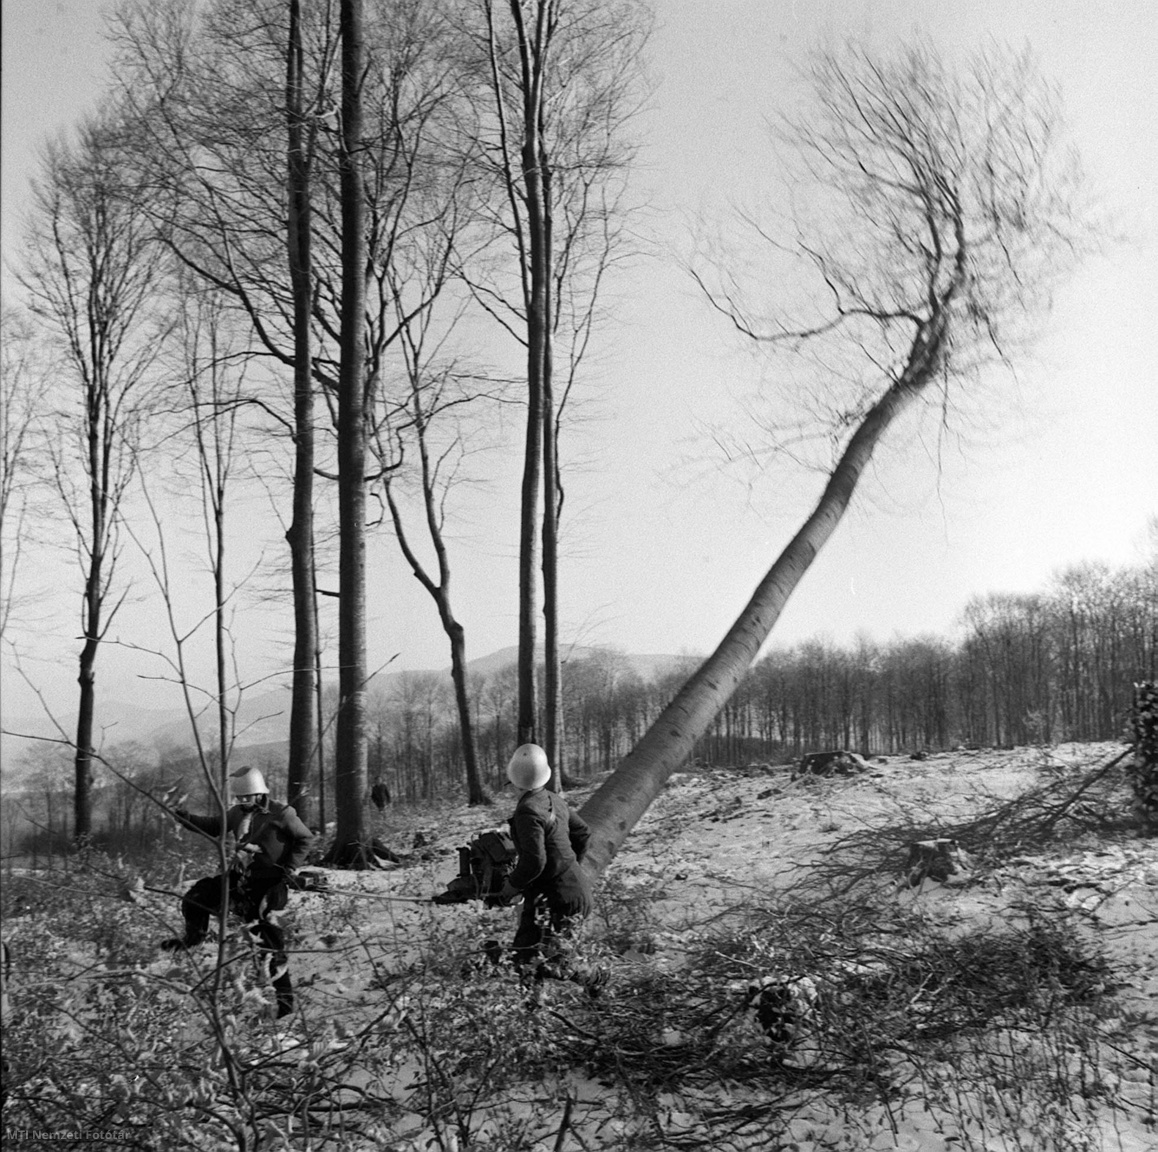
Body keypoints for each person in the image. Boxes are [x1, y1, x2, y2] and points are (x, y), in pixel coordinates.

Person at [161, 766, 314, 1020]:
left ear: (259, 793)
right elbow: (213, 826)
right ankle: (194, 937)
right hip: (241, 878)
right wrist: (183, 817)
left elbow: (305, 839)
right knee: (197, 896)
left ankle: (285, 1002)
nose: (243, 802)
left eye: (247, 797)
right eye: (239, 798)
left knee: (268, 943)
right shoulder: (236, 813)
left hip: (270, 884)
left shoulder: (282, 814)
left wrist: (290, 867)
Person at [496, 744, 607, 996]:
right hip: (568, 893)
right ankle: (534, 1015)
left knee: (555, 963)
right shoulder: (554, 800)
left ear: (514, 780)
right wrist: (568, 866)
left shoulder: (527, 811)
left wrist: (511, 886)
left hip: (557, 900)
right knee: (526, 956)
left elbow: (535, 862)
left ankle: (597, 979)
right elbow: (583, 834)